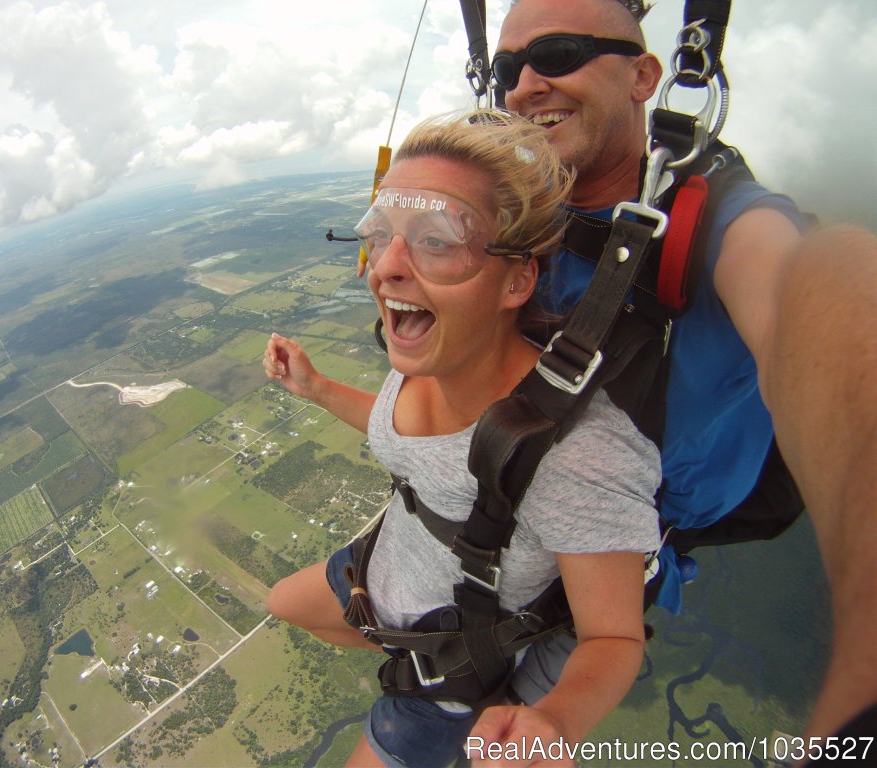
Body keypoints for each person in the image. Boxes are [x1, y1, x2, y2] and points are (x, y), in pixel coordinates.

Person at [467, 0, 877, 763]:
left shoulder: (723, 221)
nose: (524, 85)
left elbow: (812, 297)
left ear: (644, 75)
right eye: (506, 68)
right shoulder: (520, 215)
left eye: (556, 53)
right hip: (508, 512)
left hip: (604, 563)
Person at [263, 110, 664, 767]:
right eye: (381, 235)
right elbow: (416, 445)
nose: (384, 268)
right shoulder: (435, 359)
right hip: (389, 572)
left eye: (436, 241)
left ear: (517, 279)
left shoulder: (576, 455)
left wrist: (552, 722)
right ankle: (402, 639)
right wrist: (317, 388)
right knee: (285, 603)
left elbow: (614, 637)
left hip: (456, 666)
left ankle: (465, 667)